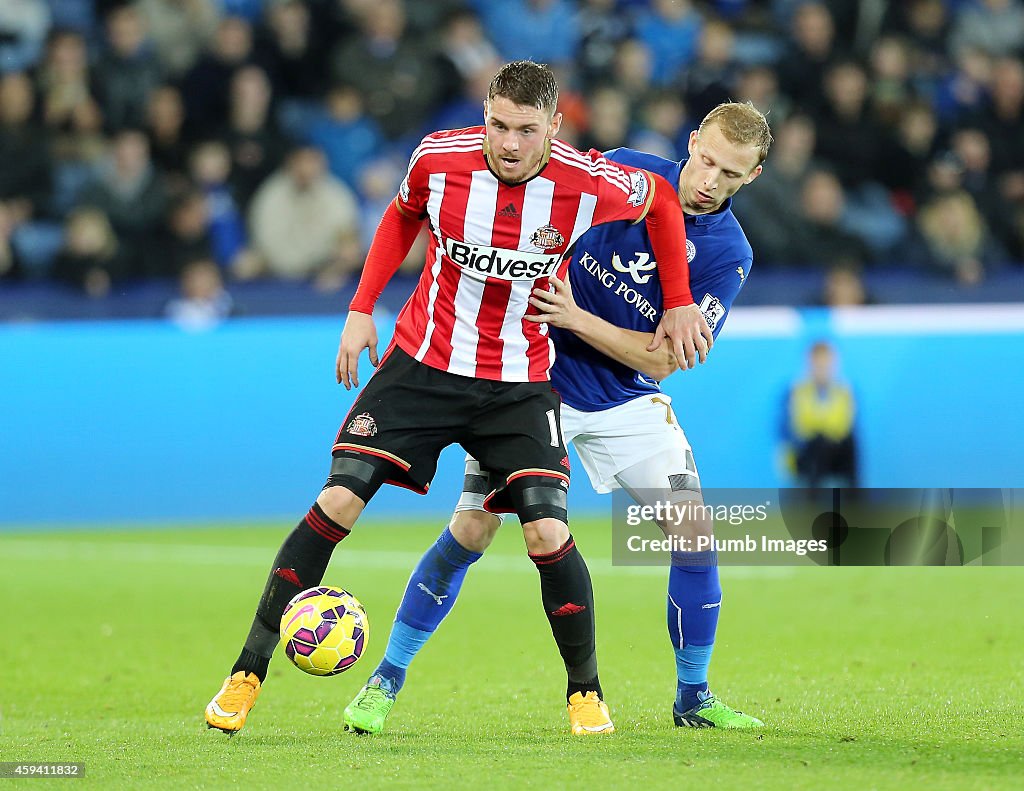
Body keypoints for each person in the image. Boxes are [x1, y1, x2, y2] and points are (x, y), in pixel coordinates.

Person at [204, 60, 713, 737]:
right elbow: (399, 216)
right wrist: (361, 308)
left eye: (526, 130)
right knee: (337, 499)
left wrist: (678, 301)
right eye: (497, 124)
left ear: (555, 127)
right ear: (485, 113)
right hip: (422, 363)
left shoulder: (587, 183)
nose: (507, 143)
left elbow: (663, 201)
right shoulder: (439, 158)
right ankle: (246, 674)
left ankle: (584, 692)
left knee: (546, 530)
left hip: (518, 379)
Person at [345, 101, 771, 735]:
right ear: (692, 142)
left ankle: (694, 697)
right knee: (472, 532)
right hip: (533, 390)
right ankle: (386, 677)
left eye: (730, 175)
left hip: (628, 400)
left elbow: (664, 357)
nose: (709, 181)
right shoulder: (623, 175)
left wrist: (577, 318)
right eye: (706, 161)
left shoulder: (726, 254)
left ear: (752, 177)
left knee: (694, 536)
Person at [781, 340, 858, 488]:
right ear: (809, 365)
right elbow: (790, 430)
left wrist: (830, 435)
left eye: (827, 365)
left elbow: (847, 425)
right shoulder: (796, 391)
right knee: (819, 444)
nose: (823, 370)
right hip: (805, 451)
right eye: (818, 366)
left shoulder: (844, 391)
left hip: (835, 449)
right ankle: (812, 501)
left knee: (849, 444)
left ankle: (854, 501)